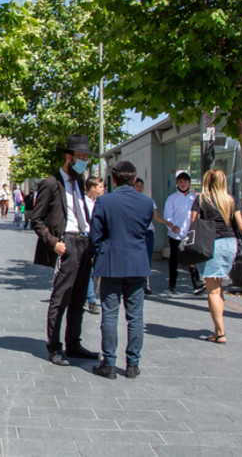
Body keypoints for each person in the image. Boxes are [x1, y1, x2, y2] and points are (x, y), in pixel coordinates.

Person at [30, 134, 100, 366]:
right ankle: (54, 346)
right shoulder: (50, 184)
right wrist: (53, 243)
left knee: (79, 298)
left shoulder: (80, 182)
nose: (83, 163)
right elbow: (36, 220)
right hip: (65, 244)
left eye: (86, 159)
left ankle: (74, 343)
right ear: (68, 157)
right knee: (60, 299)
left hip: (84, 242)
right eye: (80, 158)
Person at [86, 161, 155, 379]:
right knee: (135, 317)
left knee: (110, 314)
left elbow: (95, 235)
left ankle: (109, 362)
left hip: (110, 262)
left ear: (113, 180)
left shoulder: (104, 202)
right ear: (134, 179)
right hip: (136, 263)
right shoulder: (146, 203)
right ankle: (133, 364)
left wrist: (97, 253)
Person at [191, 169, 242, 344]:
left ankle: (220, 332)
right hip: (230, 244)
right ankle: (218, 328)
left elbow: (194, 223)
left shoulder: (201, 199)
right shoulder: (230, 200)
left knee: (212, 290)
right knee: (219, 286)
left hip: (210, 244)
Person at [161, 171, 203, 294]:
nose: (183, 184)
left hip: (190, 234)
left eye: (185, 181)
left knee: (192, 259)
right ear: (177, 183)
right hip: (175, 235)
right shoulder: (172, 198)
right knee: (174, 260)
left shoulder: (194, 198)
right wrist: (171, 226)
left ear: (189, 183)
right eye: (180, 182)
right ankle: (172, 284)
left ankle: (196, 283)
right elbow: (167, 215)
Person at [84, 176, 105, 315]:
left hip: (100, 240)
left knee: (98, 271)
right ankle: (91, 300)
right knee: (89, 271)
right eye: (100, 187)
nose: (103, 189)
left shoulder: (102, 202)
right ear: (93, 188)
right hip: (85, 239)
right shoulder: (81, 202)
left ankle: (94, 295)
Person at [132, 178, 156, 296]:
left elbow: (155, 216)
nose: (140, 188)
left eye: (141, 186)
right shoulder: (130, 201)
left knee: (147, 258)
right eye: (137, 186)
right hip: (135, 232)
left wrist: (168, 223)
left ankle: (145, 283)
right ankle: (136, 282)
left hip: (148, 231)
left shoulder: (148, 201)